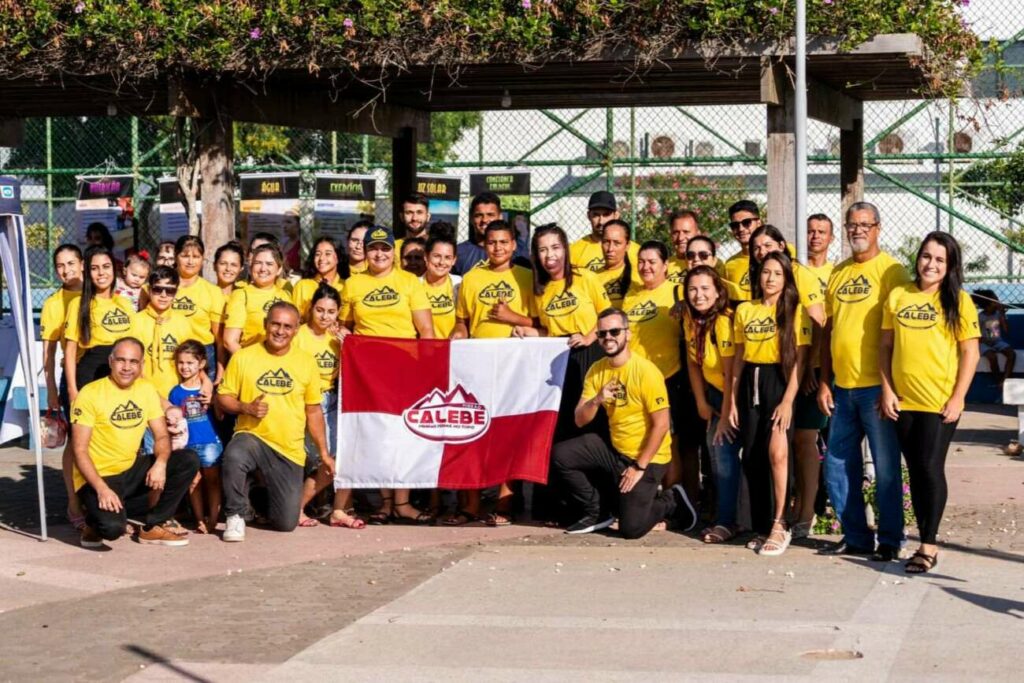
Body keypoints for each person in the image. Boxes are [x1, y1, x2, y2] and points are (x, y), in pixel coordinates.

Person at [880, 233, 979, 573]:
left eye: (939, 259)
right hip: (904, 402)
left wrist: (958, 398)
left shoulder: (959, 301)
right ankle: (922, 536)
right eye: (926, 256)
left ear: (949, 266)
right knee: (916, 470)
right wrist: (887, 390)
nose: (930, 264)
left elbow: (970, 352)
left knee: (929, 468)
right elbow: (885, 348)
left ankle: (928, 545)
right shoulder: (898, 295)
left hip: (940, 404)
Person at [817, 201, 911, 560]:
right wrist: (825, 381)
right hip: (842, 389)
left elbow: (901, 334)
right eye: (852, 224)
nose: (858, 230)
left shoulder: (893, 272)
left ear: (878, 227)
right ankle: (856, 537)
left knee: (886, 468)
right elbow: (829, 333)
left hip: (877, 389)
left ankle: (890, 540)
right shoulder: (838, 273)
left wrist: (891, 386)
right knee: (838, 466)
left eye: (865, 224)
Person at [551, 308, 695, 538]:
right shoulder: (596, 370)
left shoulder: (646, 371)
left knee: (631, 529)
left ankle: (671, 500)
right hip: (616, 450)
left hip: (649, 457)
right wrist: (597, 399)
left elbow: (662, 424)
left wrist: (639, 467)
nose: (608, 337)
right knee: (561, 455)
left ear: (627, 334)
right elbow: (579, 419)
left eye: (614, 331)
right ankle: (597, 511)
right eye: (602, 333)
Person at [340, 226, 435, 524]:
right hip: (368, 372)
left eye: (385, 248)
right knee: (378, 435)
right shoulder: (353, 285)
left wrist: (426, 368)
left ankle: (403, 503)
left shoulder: (409, 282)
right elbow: (343, 324)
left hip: (404, 368)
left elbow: (427, 330)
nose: (379, 253)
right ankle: (385, 503)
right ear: (364, 252)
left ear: (393, 252)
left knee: (404, 435)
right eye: (373, 248)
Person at [70, 337, 200, 548]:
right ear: (111, 361)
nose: (127, 367)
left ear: (141, 365)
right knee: (112, 530)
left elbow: (161, 436)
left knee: (187, 459)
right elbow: (79, 450)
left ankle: (153, 526)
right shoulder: (90, 394)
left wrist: (161, 463)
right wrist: (102, 489)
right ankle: (93, 522)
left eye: (133, 362)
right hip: (99, 476)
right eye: (121, 360)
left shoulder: (146, 389)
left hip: (130, 471)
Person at [450, 219, 538, 526]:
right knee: (474, 435)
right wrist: (459, 332)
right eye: (492, 242)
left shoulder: (528, 277)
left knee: (509, 436)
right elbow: (462, 320)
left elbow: (542, 324)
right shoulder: (471, 278)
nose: (498, 247)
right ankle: (471, 506)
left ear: (514, 245)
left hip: (517, 369)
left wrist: (512, 317)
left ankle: (504, 505)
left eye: (504, 242)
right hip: (478, 368)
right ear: (483, 245)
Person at [217, 302, 329, 540]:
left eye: (287, 326)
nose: (280, 331)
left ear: (296, 330)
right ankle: (235, 515)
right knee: (235, 454)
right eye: (275, 324)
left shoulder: (306, 362)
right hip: (253, 436)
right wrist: (245, 407)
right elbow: (223, 398)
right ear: (265, 325)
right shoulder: (244, 356)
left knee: (285, 523)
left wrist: (324, 452)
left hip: (288, 449)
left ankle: (258, 495)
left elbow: (314, 411)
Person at [748, 224, 827, 538]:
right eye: (757, 248)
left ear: (783, 245)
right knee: (780, 444)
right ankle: (785, 511)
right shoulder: (761, 280)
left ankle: (806, 513)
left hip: (806, 370)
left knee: (804, 440)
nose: (762, 251)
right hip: (779, 372)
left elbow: (817, 322)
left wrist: (810, 370)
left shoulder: (798, 275)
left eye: (768, 245)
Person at [729, 252, 810, 556]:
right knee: (753, 455)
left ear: (786, 278)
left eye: (777, 273)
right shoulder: (745, 311)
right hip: (750, 381)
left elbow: (801, 361)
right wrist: (733, 402)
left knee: (778, 452)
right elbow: (738, 357)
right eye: (766, 272)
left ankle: (781, 522)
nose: (771, 278)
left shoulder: (794, 312)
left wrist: (788, 400)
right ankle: (763, 525)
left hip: (780, 381)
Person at [622, 241, 699, 512]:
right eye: (641, 261)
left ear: (666, 265)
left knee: (670, 443)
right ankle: (647, 501)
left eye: (652, 261)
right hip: (635, 382)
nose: (645, 266)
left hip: (669, 379)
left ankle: (674, 503)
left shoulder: (678, 293)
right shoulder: (630, 297)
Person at [517, 224, 610, 438]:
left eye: (555, 247)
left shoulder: (585, 278)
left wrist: (588, 337)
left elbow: (607, 317)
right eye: (543, 249)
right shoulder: (539, 289)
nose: (550, 255)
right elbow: (547, 332)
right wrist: (525, 331)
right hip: (560, 358)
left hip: (591, 353)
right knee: (566, 419)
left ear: (565, 249)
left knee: (594, 415)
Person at [293, 284, 364, 529]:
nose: (325, 316)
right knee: (322, 460)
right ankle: (296, 509)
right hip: (306, 402)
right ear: (311, 309)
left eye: (331, 312)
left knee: (345, 458)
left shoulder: (338, 338)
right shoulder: (298, 335)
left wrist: (350, 344)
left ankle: (339, 510)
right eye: (320, 310)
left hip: (335, 400)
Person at [683, 265, 742, 543]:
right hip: (713, 394)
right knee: (716, 457)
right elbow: (693, 363)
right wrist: (700, 402)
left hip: (733, 394)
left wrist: (728, 411)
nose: (699, 295)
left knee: (724, 457)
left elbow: (732, 371)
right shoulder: (691, 318)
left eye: (705, 288)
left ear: (718, 291)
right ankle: (724, 518)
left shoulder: (723, 321)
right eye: (693, 289)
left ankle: (728, 522)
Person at [40, 244, 85, 528]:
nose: (66, 270)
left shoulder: (101, 294)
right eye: (60, 265)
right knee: (75, 443)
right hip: (73, 380)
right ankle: (73, 502)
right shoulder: (54, 304)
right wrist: (53, 391)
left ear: (82, 264)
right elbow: (49, 354)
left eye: (71, 263)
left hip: (106, 378)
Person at [64, 246, 137, 405]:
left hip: (121, 373)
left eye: (106, 266)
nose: (101, 273)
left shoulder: (124, 303)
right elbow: (70, 350)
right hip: (91, 374)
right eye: (94, 268)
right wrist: (72, 390)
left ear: (114, 268)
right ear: (87, 272)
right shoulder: (78, 304)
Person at [169, 341, 223, 534]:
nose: (184, 367)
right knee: (193, 482)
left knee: (213, 481)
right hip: (188, 443)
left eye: (190, 362)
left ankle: (214, 518)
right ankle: (199, 518)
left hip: (209, 442)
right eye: (181, 362)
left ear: (201, 364)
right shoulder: (175, 392)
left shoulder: (208, 389)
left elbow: (220, 415)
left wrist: (214, 400)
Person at [130, 266, 196, 399]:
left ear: (176, 293)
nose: (164, 295)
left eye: (170, 290)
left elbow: (193, 361)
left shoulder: (183, 322)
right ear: (149, 290)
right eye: (157, 289)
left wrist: (205, 381)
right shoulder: (134, 322)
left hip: (177, 395)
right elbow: (132, 366)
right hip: (143, 394)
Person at [173, 235, 227, 382]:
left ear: (203, 259)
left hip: (203, 355)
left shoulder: (213, 292)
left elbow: (220, 339)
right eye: (185, 256)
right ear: (176, 256)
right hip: (170, 351)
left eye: (196, 256)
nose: (190, 261)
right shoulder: (163, 288)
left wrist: (220, 372)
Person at [223, 242, 290, 354]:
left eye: (269, 264)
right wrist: (253, 364)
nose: (263, 268)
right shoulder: (241, 295)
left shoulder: (285, 296)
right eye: (258, 263)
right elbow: (230, 342)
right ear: (250, 267)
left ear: (279, 269)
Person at [453, 193, 529, 275]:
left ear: (500, 216)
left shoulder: (518, 250)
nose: (484, 220)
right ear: (471, 218)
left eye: (490, 215)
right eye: (479, 215)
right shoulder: (459, 252)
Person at [569, 191, 640, 273]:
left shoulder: (636, 252)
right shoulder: (574, 252)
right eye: (596, 215)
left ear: (616, 215)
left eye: (606, 215)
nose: (601, 221)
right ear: (589, 216)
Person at [421, 223, 462, 339]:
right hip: (424, 349)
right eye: (436, 256)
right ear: (426, 257)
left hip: (453, 350)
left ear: (454, 260)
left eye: (448, 257)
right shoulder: (415, 285)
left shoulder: (459, 284)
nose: (441, 262)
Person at [292, 236, 346, 320]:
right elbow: (295, 318)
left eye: (327, 254)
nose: (321, 258)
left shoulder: (345, 286)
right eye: (317, 254)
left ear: (337, 258)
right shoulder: (302, 285)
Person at [721, 200, 763, 304]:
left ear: (759, 223)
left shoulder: (777, 255)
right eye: (735, 225)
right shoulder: (729, 264)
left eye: (747, 222)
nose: (741, 229)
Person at [593, 220, 641, 307]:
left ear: (627, 245)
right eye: (606, 242)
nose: (610, 249)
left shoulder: (639, 275)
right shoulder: (591, 278)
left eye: (616, 243)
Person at [973, 289, 1015, 386]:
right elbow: (976, 333)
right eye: (994, 300)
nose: (997, 302)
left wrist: (1002, 314)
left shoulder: (998, 314)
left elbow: (1006, 330)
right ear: (987, 305)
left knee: (1011, 354)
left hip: (997, 341)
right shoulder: (980, 316)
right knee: (992, 357)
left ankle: (1005, 380)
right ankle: (998, 380)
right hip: (983, 343)